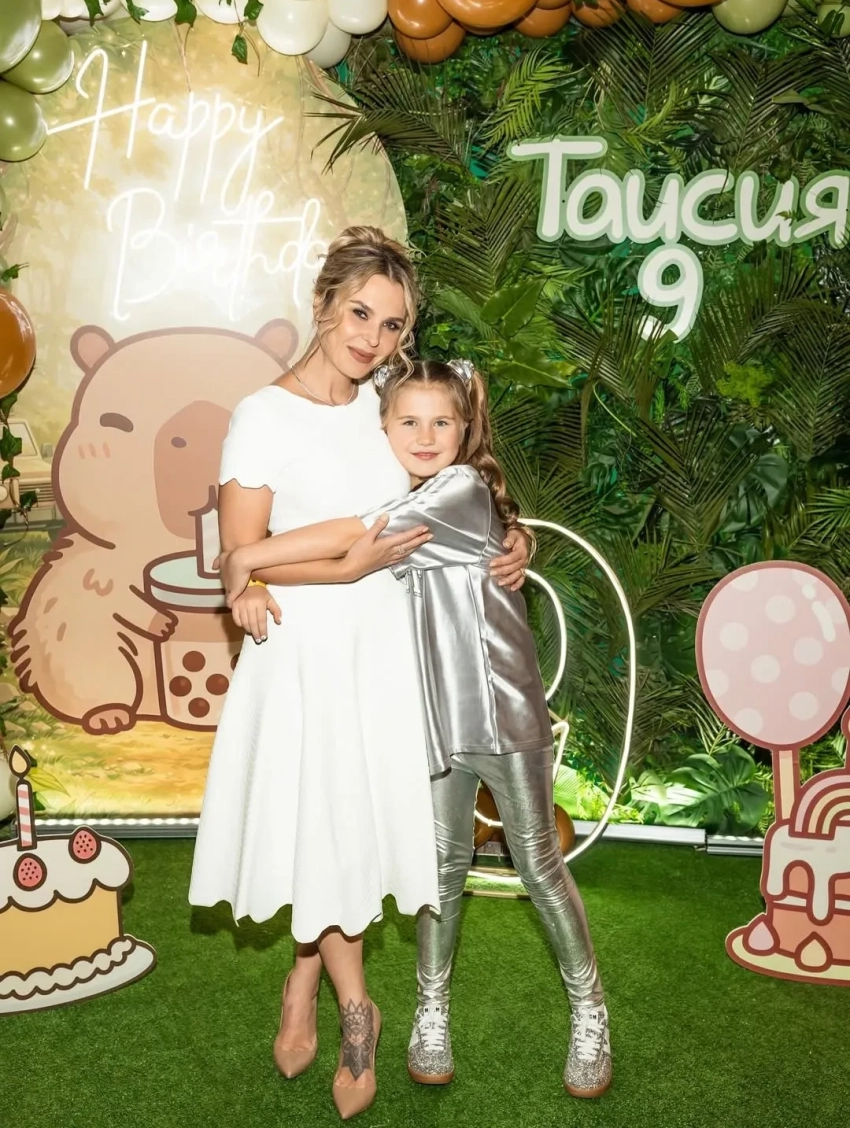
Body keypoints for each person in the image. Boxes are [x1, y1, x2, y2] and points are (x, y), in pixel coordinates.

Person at [189, 230, 529, 1121]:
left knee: (344, 833)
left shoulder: (388, 402)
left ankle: (303, 981)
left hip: (383, 648)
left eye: (392, 325)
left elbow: (454, 476)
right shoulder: (262, 415)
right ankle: (356, 1008)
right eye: (359, 313)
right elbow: (238, 559)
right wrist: (324, 571)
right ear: (323, 303)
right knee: (325, 826)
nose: (372, 338)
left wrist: (514, 537)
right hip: (303, 651)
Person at [216, 358, 612, 1100]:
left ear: (466, 430)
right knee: (442, 870)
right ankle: (431, 1012)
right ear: (384, 426)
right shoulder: (406, 489)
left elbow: (354, 536)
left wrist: (248, 556)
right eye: (408, 421)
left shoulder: (455, 490)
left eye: (441, 422)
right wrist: (254, 566)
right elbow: (358, 547)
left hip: (502, 711)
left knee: (536, 862)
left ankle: (590, 1010)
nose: (425, 436)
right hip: (429, 715)